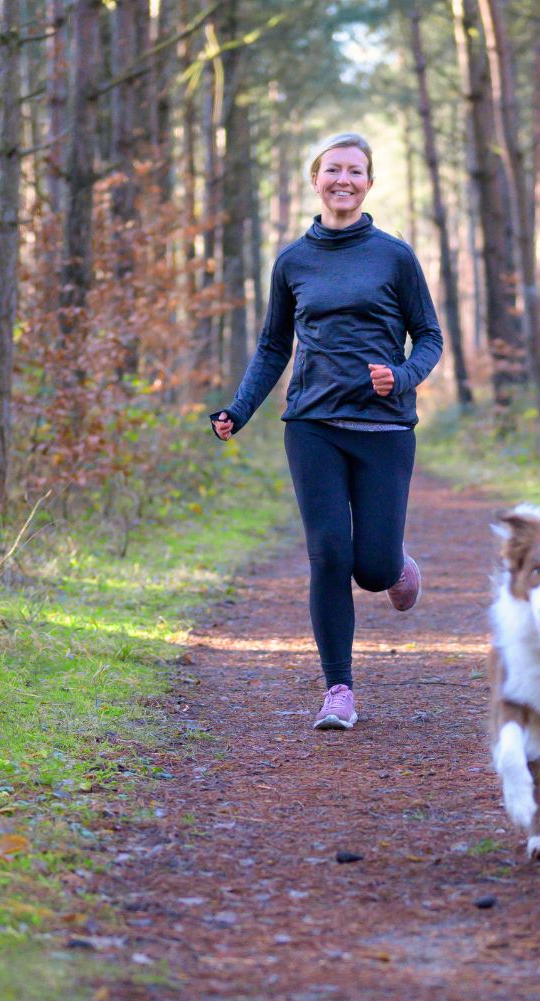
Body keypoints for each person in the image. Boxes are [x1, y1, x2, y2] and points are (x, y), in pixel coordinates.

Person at [210, 131, 443, 731]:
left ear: (369, 183)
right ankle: (338, 689)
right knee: (328, 554)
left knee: (370, 567)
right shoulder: (292, 261)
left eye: (356, 171)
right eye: (333, 170)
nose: (344, 180)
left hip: (385, 428)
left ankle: (395, 565)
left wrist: (402, 376)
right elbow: (271, 346)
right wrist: (239, 409)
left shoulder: (394, 255)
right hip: (311, 424)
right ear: (315, 180)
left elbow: (430, 337)